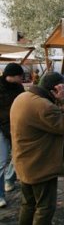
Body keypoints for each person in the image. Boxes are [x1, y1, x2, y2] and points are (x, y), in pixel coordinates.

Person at [10, 72, 64, 224]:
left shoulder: (23, 97)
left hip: (24, 162)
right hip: (40, 166)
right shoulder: (43, 105)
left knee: (28, 204)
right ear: (55, 90)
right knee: (45, 207)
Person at [0, 63, 25, 208]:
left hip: (16, 126)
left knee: (18, 155)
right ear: (13, 76)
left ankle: (9, 180)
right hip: (1, 127)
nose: (22, 78)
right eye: (20, 76)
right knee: (1, 161)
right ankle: (0, 195)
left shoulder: (19, 88)